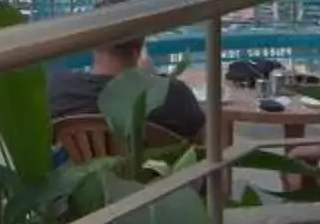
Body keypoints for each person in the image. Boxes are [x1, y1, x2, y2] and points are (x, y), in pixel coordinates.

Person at [47, 19, 207, 140]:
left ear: (92, 41)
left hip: (81, 183)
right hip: (157, 183)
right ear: (141, 45)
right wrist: (151, 78)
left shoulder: (58, 90)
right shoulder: (172, 95)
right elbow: (204, 146)